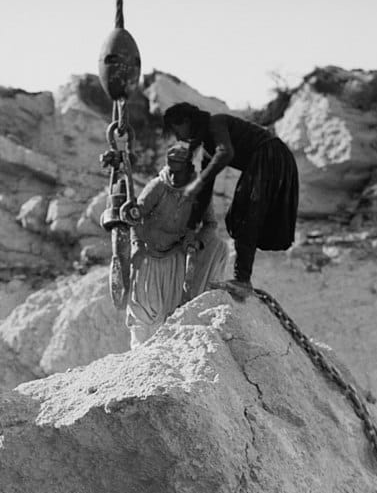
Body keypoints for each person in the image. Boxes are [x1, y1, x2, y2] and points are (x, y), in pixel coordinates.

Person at [162, 102, 299, 295]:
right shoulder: (209, 146)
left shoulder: (216, 123)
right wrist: (191, 227)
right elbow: (204, 192)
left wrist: (199, 181)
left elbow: (226, 153)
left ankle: (242, 280)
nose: (178, 137)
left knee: (246, 215)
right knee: (241, 216)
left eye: (176, 129)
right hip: (269, 159)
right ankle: (242, 279)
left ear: (186, 121)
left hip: (270, 155)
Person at [126, 142, 230, 347]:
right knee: (144, 311)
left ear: (189, 169)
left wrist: (197, 243)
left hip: (175, 256)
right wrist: (136, 243)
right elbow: (135, 216)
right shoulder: (158, 186)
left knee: (169, 310)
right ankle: (139, 352)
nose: (173, 177)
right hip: (148, 254)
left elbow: (210, 224)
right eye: (171, 169)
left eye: (178, 171)